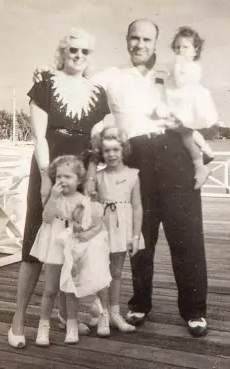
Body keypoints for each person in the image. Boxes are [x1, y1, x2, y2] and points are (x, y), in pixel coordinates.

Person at [34, 19, 209, 337]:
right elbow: (75, 74)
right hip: (137, 155)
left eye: (147, 39)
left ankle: (195, 311)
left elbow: (195, 111)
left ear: (156, 44)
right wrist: (47, 70)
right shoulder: (110, 77)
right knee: (139, 235)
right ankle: (140, 303)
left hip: (174, 157)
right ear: (127, 40)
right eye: (135, 38)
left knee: (187, 235)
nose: (140, 44)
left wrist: (201, 159)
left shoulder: (170, 76)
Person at [8, 27, 110, 348]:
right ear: (63, 52)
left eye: (85, 52)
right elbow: (40, 137)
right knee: (35, 242)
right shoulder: (45, 84)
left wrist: (91, 183)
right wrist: (46, 180)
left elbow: (96, 146)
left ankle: (69, 314)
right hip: (48, 171)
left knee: (77, 243)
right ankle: (18, 321)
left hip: (80, 177)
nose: (78, 56)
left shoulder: (98, 93)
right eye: (73, 50)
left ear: (91, 56)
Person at [30, 155, 111, 346]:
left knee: (71, 289)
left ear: (79, 180)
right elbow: (47, 218)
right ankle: (44, 327)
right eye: (59, 177)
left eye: (68, 177)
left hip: (73, 245)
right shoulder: (54, 196)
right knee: (50, 289)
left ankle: (72, 325)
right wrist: (54, 197)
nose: (62, 181)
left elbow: (89, 224)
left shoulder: (83, 200)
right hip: (54, 242)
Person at [91, 126, 144, 333]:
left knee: (116, 272)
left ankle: (115, 313)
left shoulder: (133, 175)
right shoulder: (97, 176)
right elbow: (91, 205)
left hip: (123, 229)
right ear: (101, 153)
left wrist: (136, 236)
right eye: (106, 151)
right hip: (102, 228)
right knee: (102, 271)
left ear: (123, 150)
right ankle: (103, 314)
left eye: (115, 149)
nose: (111, 154)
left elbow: (137, 207)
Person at [154, 26, 219, 189]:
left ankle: (200, 164)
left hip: (187, 102)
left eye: (185, 47)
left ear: (195, 51)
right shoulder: (176, 64)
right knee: (184, 131)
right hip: (175, 99)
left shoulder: (193, 67)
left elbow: (181, 81)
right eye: (177, 47)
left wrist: (177, 65)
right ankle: (207, 150)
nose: (180, 51)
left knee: (187, 133)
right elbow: (165, 77)